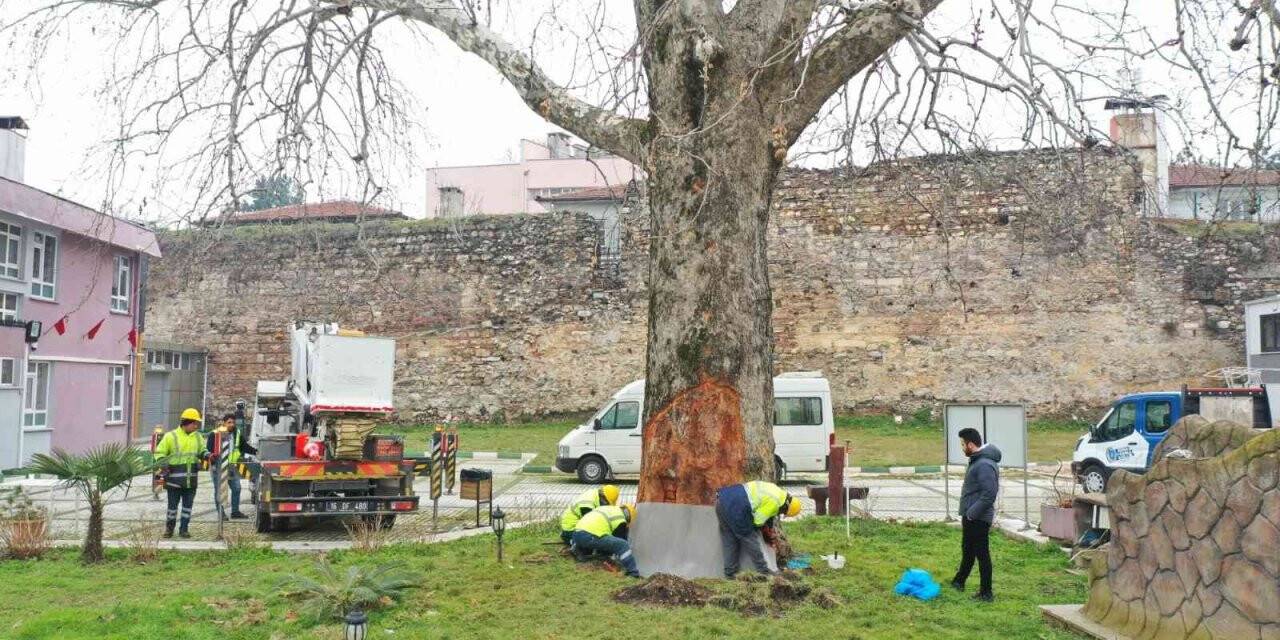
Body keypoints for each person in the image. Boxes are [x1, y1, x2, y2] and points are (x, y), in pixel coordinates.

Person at [951, 427, 1001, 602]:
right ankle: (959, 581)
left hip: (978, 518)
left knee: (982, 554)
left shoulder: (984, 464)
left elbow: (989, 494)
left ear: (971, 445)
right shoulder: (978, 460)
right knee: (968, 550)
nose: (962, 447)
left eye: (963, 444)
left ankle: (986, 593)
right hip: (972, 515)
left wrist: (971, 514)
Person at [714, 480, 802, 578]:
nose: (781, 513)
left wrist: (769, 527)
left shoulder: (777, 492)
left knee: (729, 539)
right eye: (784, 512)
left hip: (721, 501)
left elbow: (766, 510)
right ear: (786, 506)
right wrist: (765, 533)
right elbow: (758, 521)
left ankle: (730, 574)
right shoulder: (775, 502)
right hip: (738, 506)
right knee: (750, 539)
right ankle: (763, 571)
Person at [154, 408, 210, 538]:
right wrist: (163, 463)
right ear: (186, 422)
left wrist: (208, 455)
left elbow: (202, 450)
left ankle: (184, 529)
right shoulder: (171, 436)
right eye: (194, 423)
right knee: (172, 508)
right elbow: (159, 452)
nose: (196, 426)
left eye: (197, 423)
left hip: (191, 480)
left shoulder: (198, 436)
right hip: (174, 481)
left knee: (187, 508)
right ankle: (169, 529)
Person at [207, 413, 258, 520]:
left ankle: (235, 512)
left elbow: (244, 447)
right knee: (219, 491)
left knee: (237, 488)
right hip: (218, 467)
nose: (231, 424)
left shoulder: (237, 433)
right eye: (229, 422)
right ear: (223, 423)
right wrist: (213, 464)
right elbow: (209, 451)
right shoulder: (215, 434)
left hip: (232, 467)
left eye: (233, 422)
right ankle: (221, 514)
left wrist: (257, 452)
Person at [570, 504, 638, 577]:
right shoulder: (620, 519)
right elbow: (619, 541)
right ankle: (633, 573)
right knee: (623, 545)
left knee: (604, 540)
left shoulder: (609, 509)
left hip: (577, 533)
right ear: (629, 517)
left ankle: (578, 548)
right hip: (590, 535)